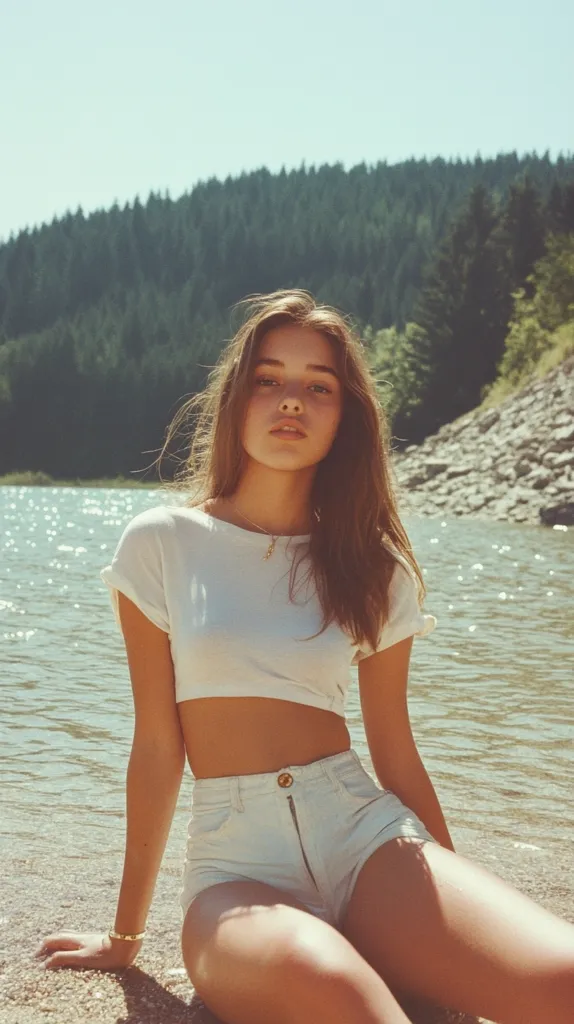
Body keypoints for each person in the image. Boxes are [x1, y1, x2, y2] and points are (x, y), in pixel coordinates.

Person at [36, 290, 574, 1024]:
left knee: (560, 981)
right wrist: (125, 936)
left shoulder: (372, 567)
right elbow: (159, 748)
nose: (292, 400)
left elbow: (396, 750)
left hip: (365, 836)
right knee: (345, 999)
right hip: (237, 867)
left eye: (318, 385)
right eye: (270, 378)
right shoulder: (161, 543)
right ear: (236, 398)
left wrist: (456, 921)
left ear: (344, 413)